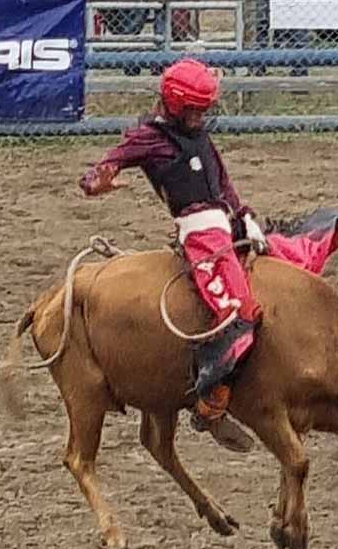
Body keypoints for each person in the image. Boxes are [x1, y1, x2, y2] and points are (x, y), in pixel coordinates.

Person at [79, 58, 265, 453]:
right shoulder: (148, 138)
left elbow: (223, 184)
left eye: (206, 109)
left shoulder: (200, 137)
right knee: (238, 309)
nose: (202, 117)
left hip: (225, 224)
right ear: (177, 105)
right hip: (200, 233)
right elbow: (97, 173)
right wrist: (100, 182)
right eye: (197, 109)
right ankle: (210, 396)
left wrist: (245, 216)